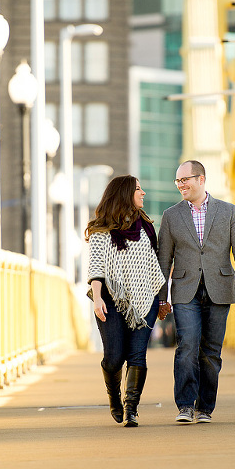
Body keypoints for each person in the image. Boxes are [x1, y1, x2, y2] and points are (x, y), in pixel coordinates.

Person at [157, 160, 235, 424]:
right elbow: (163, 259)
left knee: (211, 352)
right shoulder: (171, 216)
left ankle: (205, 408)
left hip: (220, 290)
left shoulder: (228, 211)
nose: (181, 185)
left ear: (201, 179)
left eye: (185, 180)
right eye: (177, 181)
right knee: (187, 345)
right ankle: (186, 405)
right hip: (185, 292)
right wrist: (161, 297)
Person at [86, 175, 167, 427]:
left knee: (137, 355)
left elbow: (155, 265)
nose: (143, 193)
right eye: (138, 189)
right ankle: (114, 397)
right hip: (112, 300)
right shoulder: (102, 229)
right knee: (113, 357)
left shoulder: (146, 226)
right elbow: (97, 266)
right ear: (124, 194)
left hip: (145, 299)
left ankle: (131, 408)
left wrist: (162, 299)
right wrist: (97, 298)